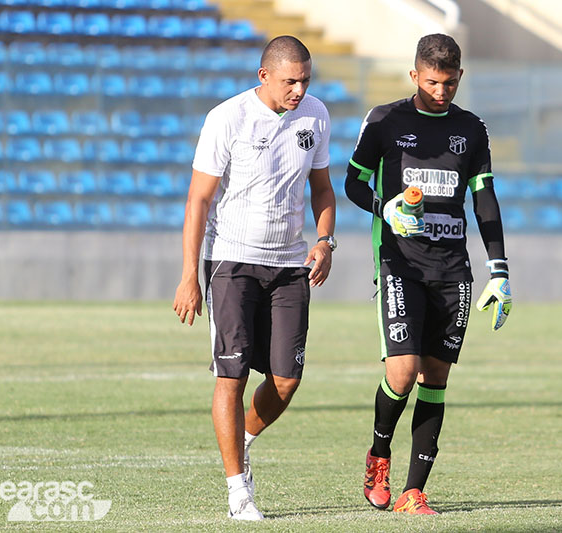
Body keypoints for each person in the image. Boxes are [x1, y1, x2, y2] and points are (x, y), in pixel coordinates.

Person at [344, 33, 512, 515]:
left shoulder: (472, 129)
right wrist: (385, 209)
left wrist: (498, 269)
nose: (442, 91)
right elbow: (353, 181)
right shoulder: (385, 120)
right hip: (399, 262)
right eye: (433, 82)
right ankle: (379, 453)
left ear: (461, 77)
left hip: (453, 269)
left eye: (451, 82)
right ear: (415, 75)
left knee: (435, 377)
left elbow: (484, 199)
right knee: (401, 370)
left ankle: (414, 492)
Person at [173, 35, 336, 521]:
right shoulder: (228, 118)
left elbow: (323, 189)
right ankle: (237, 492)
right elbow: (198, 200)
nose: (299, 90)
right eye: (290, 81)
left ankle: (241, 442)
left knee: (286, 380)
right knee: (232, 375)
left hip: (289, 265)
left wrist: (325, 240)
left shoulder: (317, 115)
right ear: (264, 76)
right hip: (232, 262)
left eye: (306, 80)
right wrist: (189, 276)